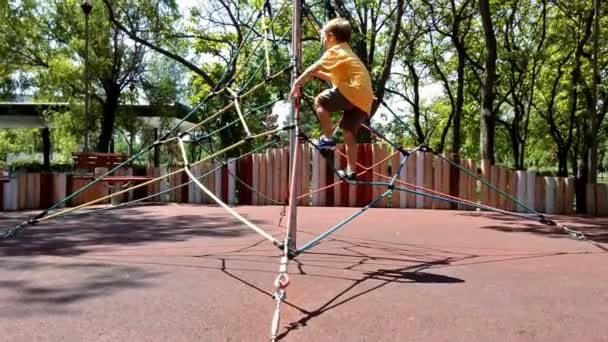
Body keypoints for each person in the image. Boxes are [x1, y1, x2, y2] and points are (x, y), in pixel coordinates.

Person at [289, 18, 374, 181]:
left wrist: (297, 83)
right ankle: (351, 171)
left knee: (320, 101)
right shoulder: (348, 53)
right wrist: (312, 74)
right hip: (365, 99)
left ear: (330, 37)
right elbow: (331, 76)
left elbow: (315, 67)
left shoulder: (335, 51)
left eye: (324, 38)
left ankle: (327, 139)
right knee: (349, 133)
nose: (324, 42)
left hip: (354, 91)